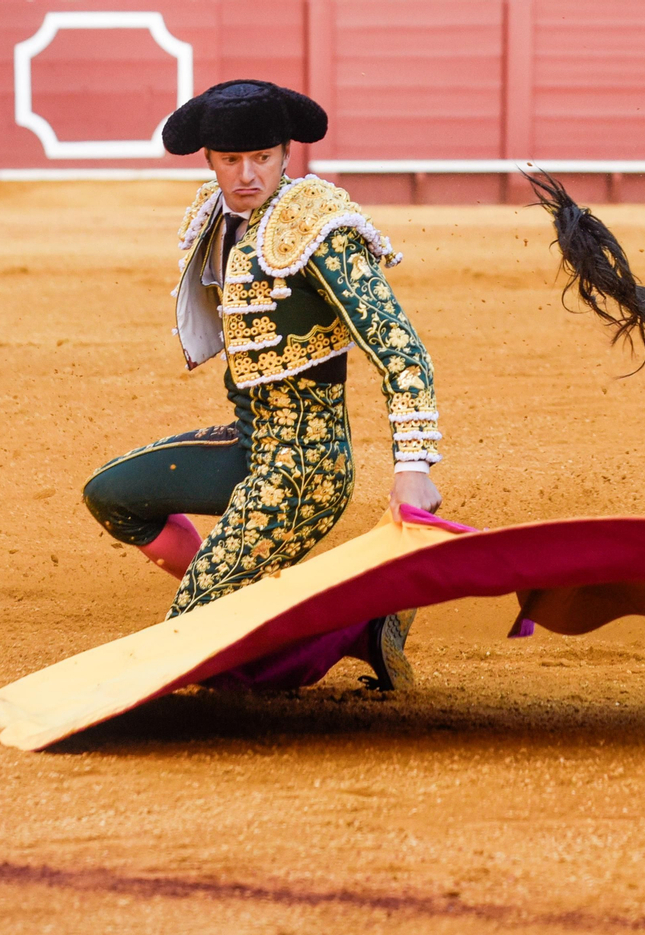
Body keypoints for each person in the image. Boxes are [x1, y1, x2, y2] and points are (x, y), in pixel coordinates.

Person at [82, 79, 442, 691]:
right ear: (210, 160)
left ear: (285, 155)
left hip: (304, 464)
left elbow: (400, 348)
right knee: (112, 495)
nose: (247, 174)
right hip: (248, 440)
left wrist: (414, 462)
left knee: (199, 650)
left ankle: (355, 627)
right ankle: (237, 597)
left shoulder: (318, 229)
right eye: (230, 160)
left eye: (263, 159)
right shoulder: (219, 216)